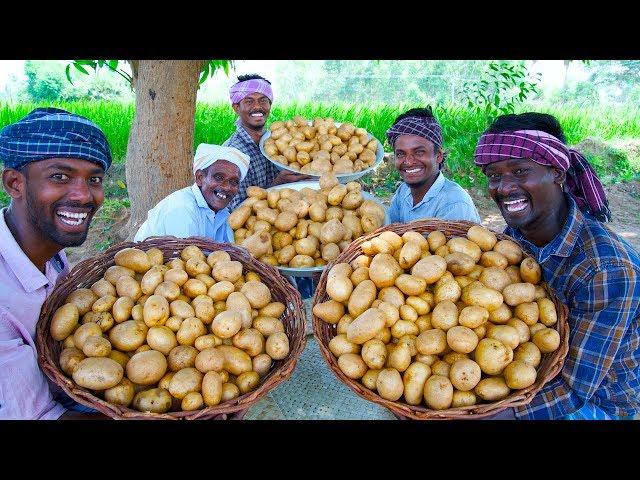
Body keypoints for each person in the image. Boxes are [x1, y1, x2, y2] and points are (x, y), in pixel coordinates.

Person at [474, 112, 640, 420]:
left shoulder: (605, 268)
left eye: (520, 171)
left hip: (598, 404)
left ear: (557, 174)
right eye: (494, 176)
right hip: (528, 375)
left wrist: (476, 417)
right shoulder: (511, 239)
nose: (504, 188)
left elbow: (574, 390)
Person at [0, 107, 112, 419]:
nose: (83, 195)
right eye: (59, 176)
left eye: (94, 179)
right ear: (14, 183)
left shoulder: (48, 246)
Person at [224, 73, 310, 211]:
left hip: (289, 213)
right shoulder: (232, 153)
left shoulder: (278, 140)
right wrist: (277, 184)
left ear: (270, 104)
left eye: (263, 100)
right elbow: (234, 208)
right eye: (249, 101)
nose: (257, 106)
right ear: (236, 107)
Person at [134, 144, 248, 242]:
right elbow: (185, 260)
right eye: (218, 177)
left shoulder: (224, 214)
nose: (226, 187)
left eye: (234, 182)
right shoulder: (182, 209)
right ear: (200, 178)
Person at [386, 107, 481, 224]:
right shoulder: (403, 192)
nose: (409, 162)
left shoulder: (454, 204)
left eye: (419, 152)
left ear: (439, 156)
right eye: (401, 154)